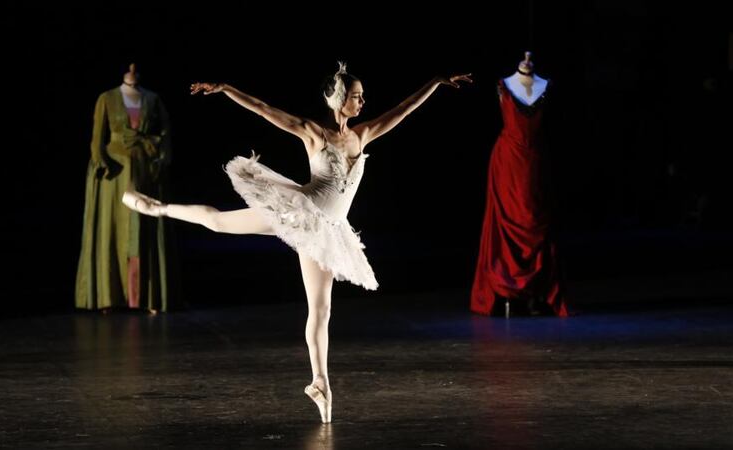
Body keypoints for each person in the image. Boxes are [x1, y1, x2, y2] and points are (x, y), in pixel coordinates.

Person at [121, 62, 472, 422]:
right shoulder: (314, 134)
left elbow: (403, 109)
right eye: (355, 96)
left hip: (328, 230)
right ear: (337, 100)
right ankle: (159, 208)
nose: (362, 101)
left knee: (321, 310)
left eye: (363, 96)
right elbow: (265, 110)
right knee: (218, 222)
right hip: (297, 213)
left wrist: (435, 82)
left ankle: (320, 383)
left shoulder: (361, 135)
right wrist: (226, 88)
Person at [470, 51, 569, 317]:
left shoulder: (545, 85)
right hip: (508, 163)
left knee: (535, 220)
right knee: (506, 223)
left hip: (535, 162)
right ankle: (507, 292)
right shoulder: (504, 84)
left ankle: (536, 290)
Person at [76, 63, 176, 314]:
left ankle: (147, 297)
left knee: (144, 226)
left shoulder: (152, 99)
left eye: (136, 66)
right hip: (115, 171)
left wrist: (160, 160)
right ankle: (110, 295)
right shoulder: (107, 98)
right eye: (127, 66)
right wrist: (101, 163)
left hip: (145, 169)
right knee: (115, 229)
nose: (132, 69)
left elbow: (165, 134)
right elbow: (97, 137)